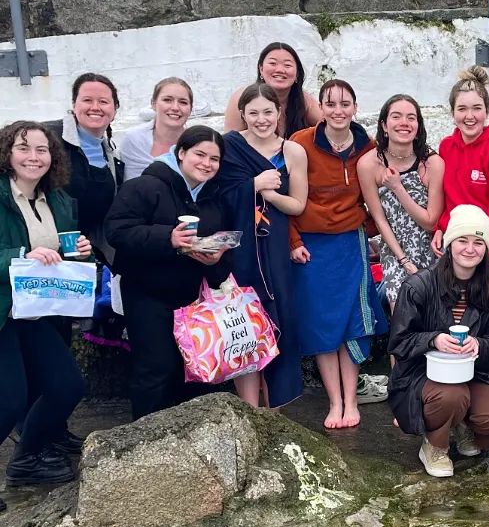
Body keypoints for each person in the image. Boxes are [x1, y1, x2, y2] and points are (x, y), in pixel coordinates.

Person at [105, 126, 230, 420]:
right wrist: (167, 238)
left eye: (214, 158)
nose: (206, 164)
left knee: (192, 366)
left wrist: (215, 261)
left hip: (192, 297)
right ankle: (144, 439)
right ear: (181, 153)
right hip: (147, 292)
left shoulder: (213, 196)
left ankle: (187, 441)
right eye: (200, 154)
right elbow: (117, 231)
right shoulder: (145, 186)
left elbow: (223, 244)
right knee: (155, 366)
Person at [388, 205, 489, 479]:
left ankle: (463, 430)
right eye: (462, 240)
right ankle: (434, 445)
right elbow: (399, 342)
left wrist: (480, 345)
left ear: (486, 248)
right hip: (422, 376)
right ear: (448, 244)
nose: (470, 249)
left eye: (478, 242)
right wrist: (433, 340)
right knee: (452, 396)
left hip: (475, 372)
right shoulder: (418, 286)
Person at [289, 79, 387, 429]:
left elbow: (377, 196)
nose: (338, 110)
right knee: (322, 326)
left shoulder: (368, 147)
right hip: (312, 250)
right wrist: (293, 241)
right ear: (322, 107)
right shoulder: (301, 143)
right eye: (330, 104)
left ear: (355, 108)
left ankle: (351, 399)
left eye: (345, 103)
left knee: (352, 324)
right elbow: (285, 201)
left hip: (350, 245)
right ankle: (335, 402)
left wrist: (373, 232)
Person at [0, 121, 89, 491]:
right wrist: (20, 255)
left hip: (34, 312)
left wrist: (81, 254)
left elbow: (60, 257)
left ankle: (27, 459)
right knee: (9, 401)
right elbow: (25, 253)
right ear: (7, 153)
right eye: (23, 148)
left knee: (67, 386)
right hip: (2, 312)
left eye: (42, 150)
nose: (33, 157)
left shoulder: (59, 201)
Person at [217, 83, 309, 410]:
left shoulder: (293, 151)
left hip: (274, 250)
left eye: (267, 111)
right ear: (242, 114)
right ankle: (249, 410)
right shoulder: (228, 147)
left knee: (277, 319)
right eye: (253, 113)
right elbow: (215, 199)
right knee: (246, 325)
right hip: (239, 250)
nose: (261, 119)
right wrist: (252, 185)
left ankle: (276, 412)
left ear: (279, 112)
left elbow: (298, 205)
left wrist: (269, 195)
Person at [435, 66, 489, 385]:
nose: (469, 116)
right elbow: (448, 197)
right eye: (462, 109)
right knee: (458, 320)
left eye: (476, 108)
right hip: (459, 247)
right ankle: (463, 391)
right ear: (453, 112)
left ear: (486, 112)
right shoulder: (446, 148)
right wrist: (442, 227)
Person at [358, 93, 444, 312]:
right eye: (396, 117)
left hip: (432, 250)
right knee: (404, 320)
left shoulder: (432, 163)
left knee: (435, 317)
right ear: (384, 125)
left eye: (411, 118)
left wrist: (397, 187)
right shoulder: (369, 164)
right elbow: (379, 220)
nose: (404, 123)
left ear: (418, 126)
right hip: (395, 251)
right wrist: (403, 260)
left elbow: (429, 221)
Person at [48, 73, 123, 265]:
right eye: (87, 100)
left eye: (103, 101)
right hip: (46, 252)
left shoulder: (112, 155)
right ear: (74, 105)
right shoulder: (48, 138)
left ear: (114, 109)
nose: (95, 107)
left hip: (82, 253)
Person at [224, 41, 322, 139]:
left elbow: (330, 126)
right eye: (272, 63)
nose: (280, 70)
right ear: (261, 69)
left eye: (287, 65)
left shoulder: (303, 100)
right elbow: (228, 145)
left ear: (297, 74)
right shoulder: (242, 98)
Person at [118, 77, 194, 180]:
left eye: (183, 102)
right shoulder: (134, 139)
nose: (175, 108)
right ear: (153, 104)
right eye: (167, 100)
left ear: (190, 109)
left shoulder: (197, 144)